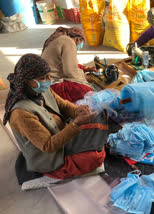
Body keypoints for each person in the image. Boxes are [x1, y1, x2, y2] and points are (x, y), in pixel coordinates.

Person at [3, 54, 107, 182]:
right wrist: (74, 125)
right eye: (43, 78)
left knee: (100, 114)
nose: (48, 80)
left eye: (48, 76)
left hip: (60, 131)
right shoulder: (21, 113)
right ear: (27, 80)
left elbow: (62, 104)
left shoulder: (40, 90)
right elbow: (48, 146)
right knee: (93, 157)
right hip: (51, 156)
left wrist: (76, 110)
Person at [42, 27, 95, 103]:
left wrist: (86, 69)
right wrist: (86, 78)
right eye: (82, 42)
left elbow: (68, 63)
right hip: (53, 85)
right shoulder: (68, 41)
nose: (80, 45)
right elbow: (70, 71)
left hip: (46, 79)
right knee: (86, 91)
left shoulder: (58, 38)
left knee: (80, 73)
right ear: (78, 39)